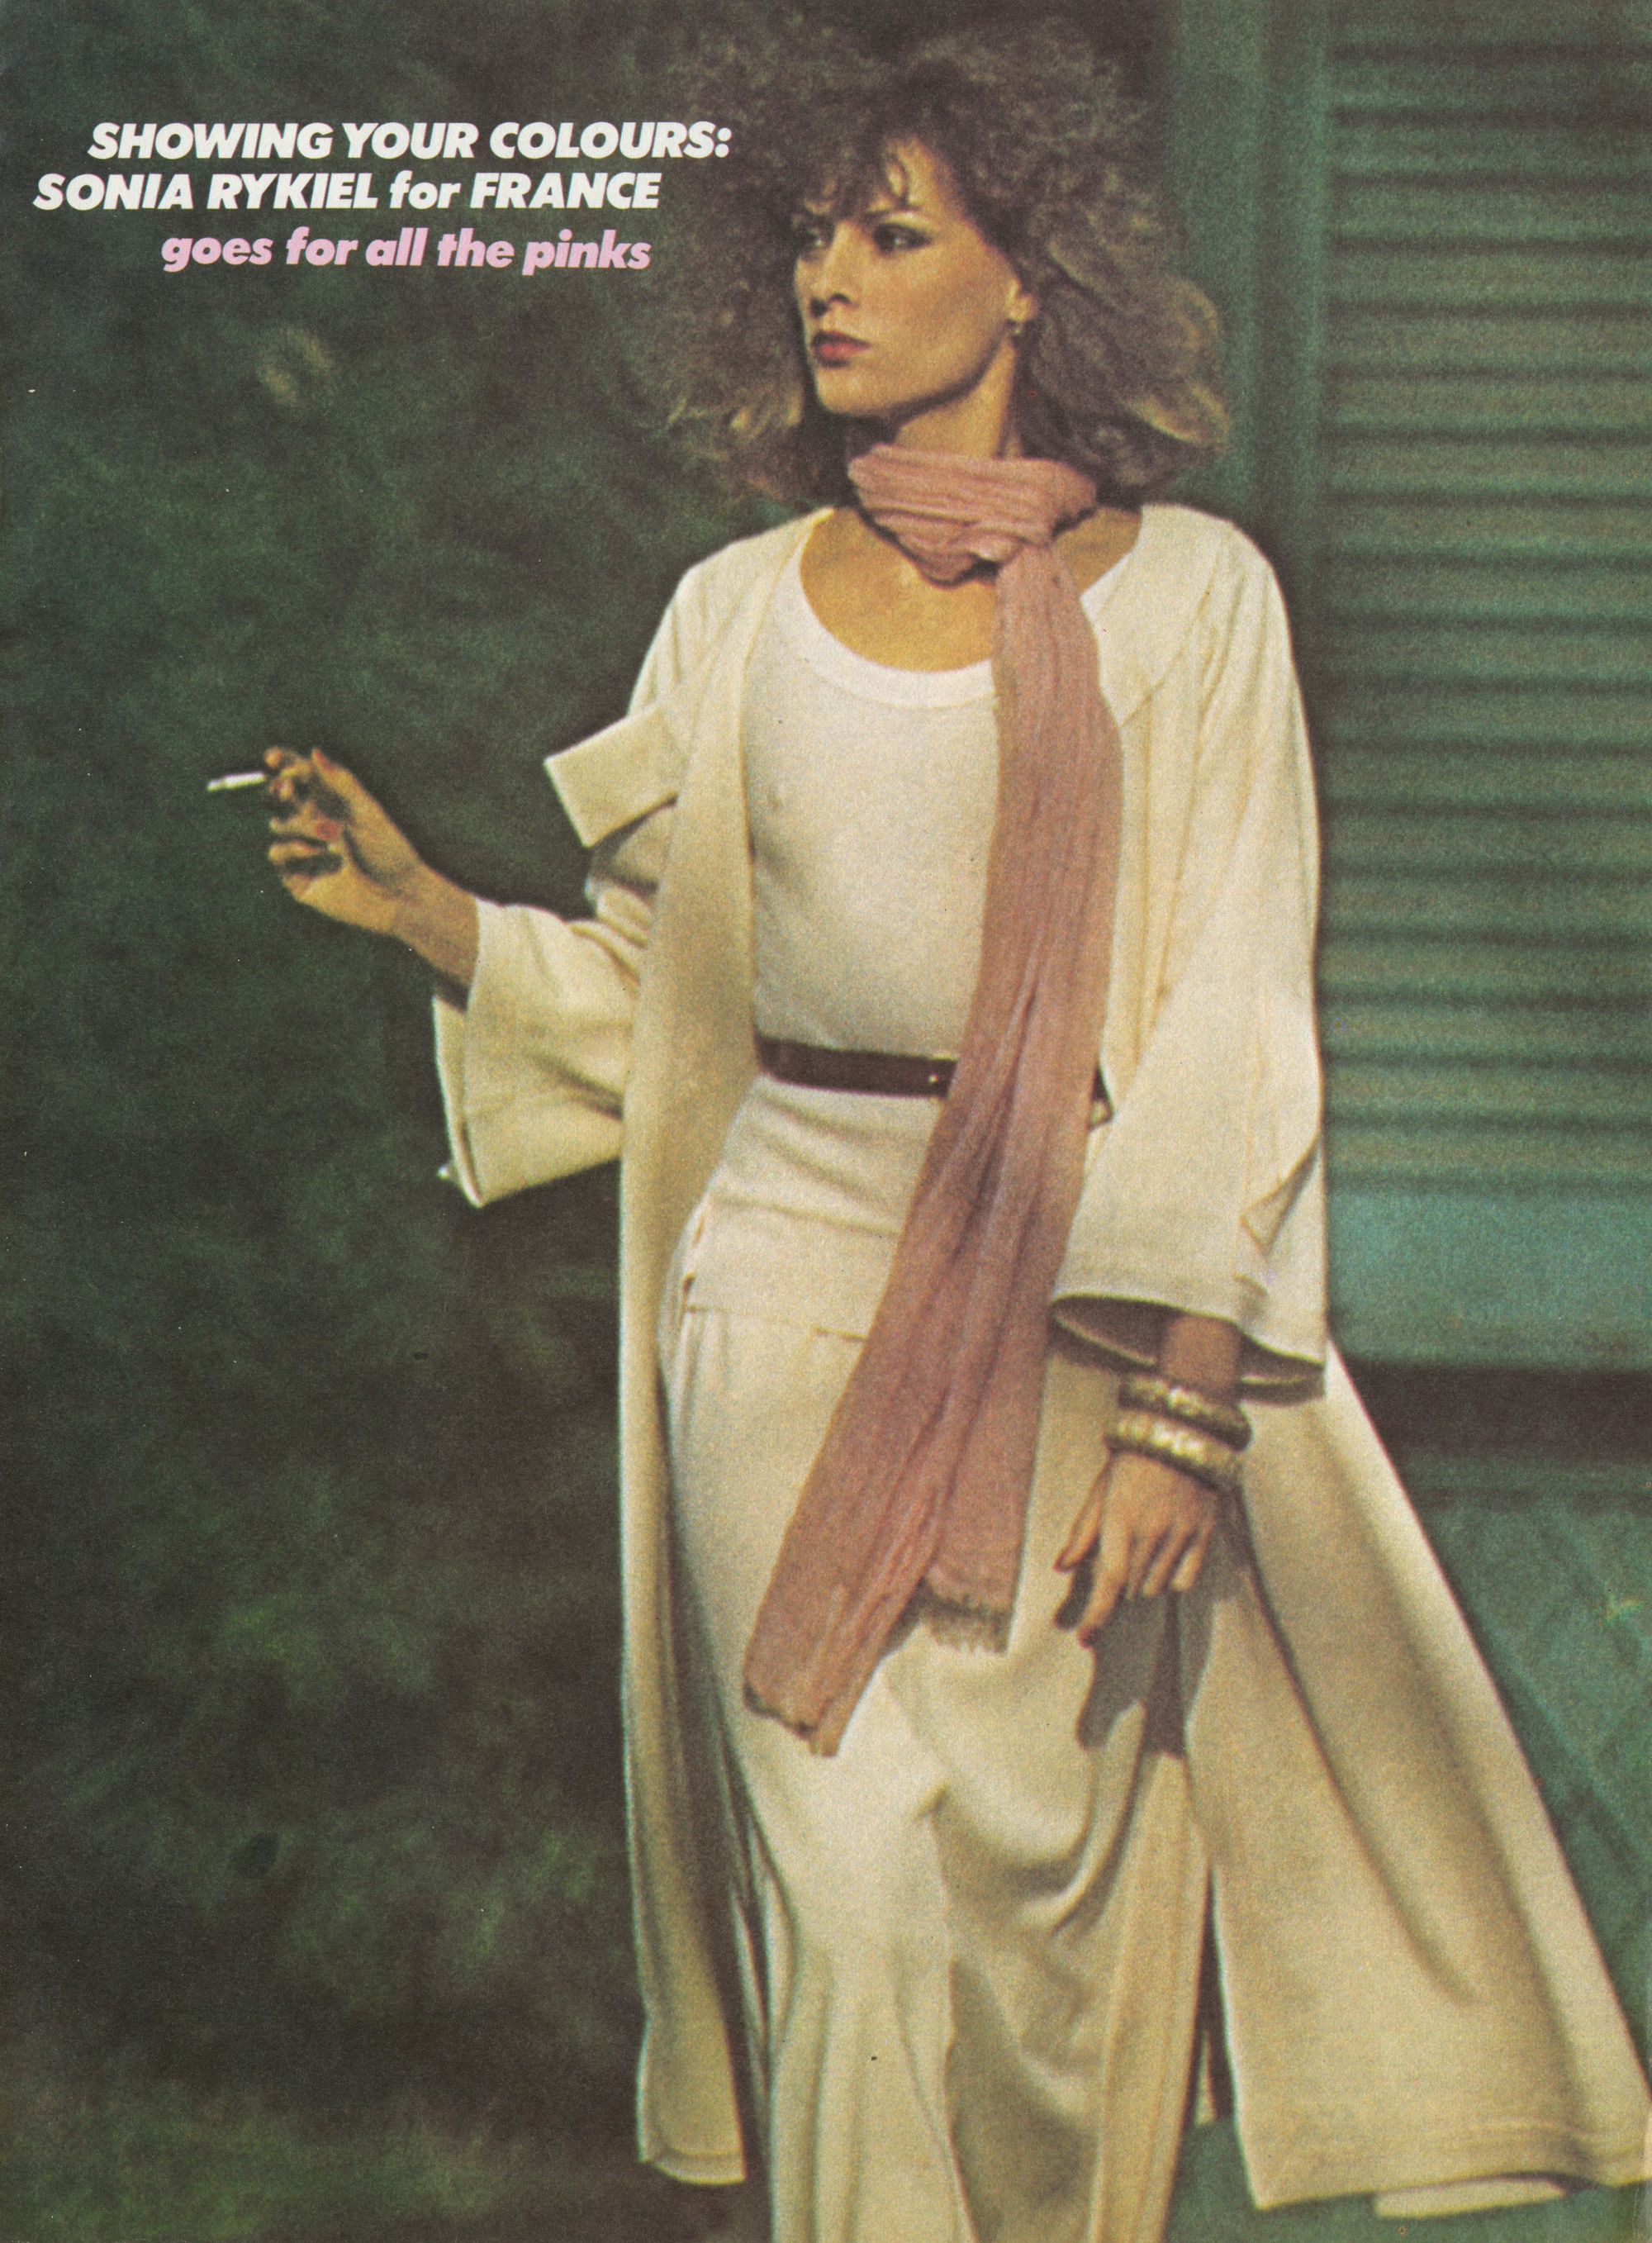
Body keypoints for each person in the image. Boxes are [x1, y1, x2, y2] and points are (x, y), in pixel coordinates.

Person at [265, 26, 1650, 2243]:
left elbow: (1231, 1025)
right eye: (813, 234)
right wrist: (430, 911)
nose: (830, 275)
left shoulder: (1196, 602)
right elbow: (665, 1003)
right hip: (774, 1307)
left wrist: (1186, 1414)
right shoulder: (733, 614)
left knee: (1038, 1976)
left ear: (1030, 277)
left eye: (892, 233)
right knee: (855, 1917)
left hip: (1083, 1333)